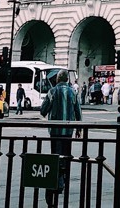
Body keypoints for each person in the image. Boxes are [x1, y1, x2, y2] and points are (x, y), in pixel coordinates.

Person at [40, 70, 82, 207]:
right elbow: (78, 111)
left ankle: (56, 181)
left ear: (58, 79)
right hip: (68, 131)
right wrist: (79, 128)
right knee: (66, 155)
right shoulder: (73, 92)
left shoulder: (52, 92)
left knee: (55, 155)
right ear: (67, 79)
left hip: (55, 131)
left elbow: (43, 111)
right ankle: (64, 180)